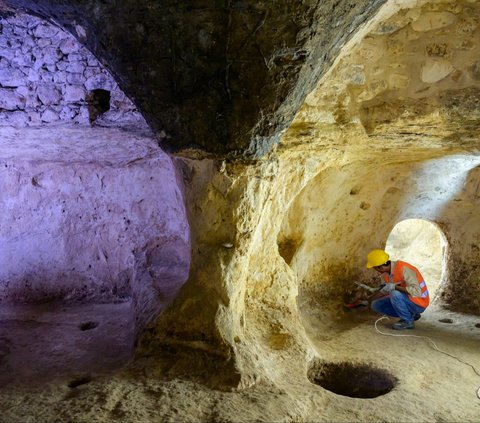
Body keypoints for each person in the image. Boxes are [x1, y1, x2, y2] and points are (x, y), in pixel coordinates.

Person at [366, 249, 429, 330]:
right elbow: (385, 290)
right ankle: (411, 315)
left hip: (419, 303)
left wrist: (394, 287)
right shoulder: (386, 274)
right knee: (375, 305)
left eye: (375, 268)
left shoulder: (403, 268)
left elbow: (416, 291)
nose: (376, 271)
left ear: (381, 267)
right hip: (408, 300)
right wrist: (369, 300)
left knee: (395, 294)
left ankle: (408, 321)